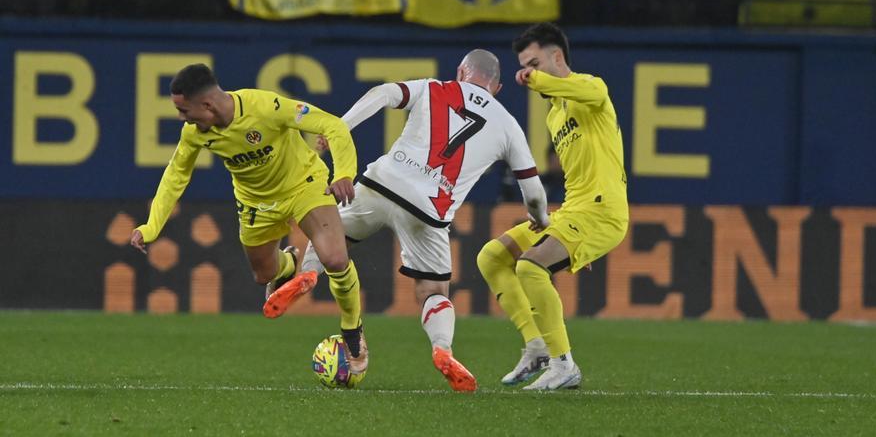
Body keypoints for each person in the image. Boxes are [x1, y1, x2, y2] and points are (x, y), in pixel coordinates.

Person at [277, 49, 550, 392]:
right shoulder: (508, 124)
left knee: (329, 234)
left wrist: (339, 128)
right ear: (496, 88)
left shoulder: (433, 88)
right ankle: (443, 349)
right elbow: (534, 192)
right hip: (429, 211)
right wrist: (539, 218)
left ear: (461, 72)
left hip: (381, 184)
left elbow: (381, 94)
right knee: (433, 291)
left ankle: (307, 274)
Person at [129, 64, 368, 373]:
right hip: (255, 205)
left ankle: (352, 331)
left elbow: (332, 125)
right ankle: (289, 264)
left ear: (208, 105)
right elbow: (176, 175)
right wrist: (151, 226)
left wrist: (345, 172)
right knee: (263, 275)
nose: (181, 118)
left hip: (303, 185)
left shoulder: (267, 107)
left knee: (335, 259)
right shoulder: (195, 133)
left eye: (183, 110)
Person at [477, 23, 629, 390]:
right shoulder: (555, 115)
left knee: (530, 268)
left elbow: (574, 89)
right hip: (575, 212)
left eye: (534, 63)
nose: (528, 72)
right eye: (524, 66)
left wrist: (585, 232)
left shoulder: (591, 90)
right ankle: (537, 346)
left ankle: (564, 366)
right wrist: (554, 226)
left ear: (556, 57)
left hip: (603, 211)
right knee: (492, 258)